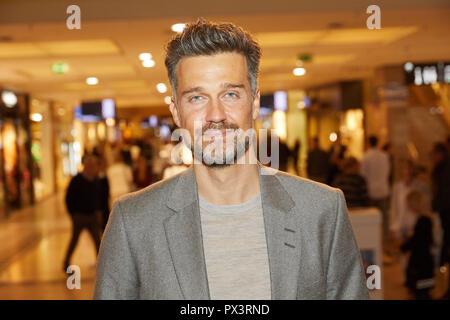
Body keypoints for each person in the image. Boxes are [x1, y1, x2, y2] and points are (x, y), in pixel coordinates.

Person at [94, 19, 368, 300]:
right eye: (197, 97)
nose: (216, 114)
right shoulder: (134, 222)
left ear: (255, 102)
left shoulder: (322, 212)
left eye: (230, 94)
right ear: (176, 111)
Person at [63, 153, 103, 271]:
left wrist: (99, 212)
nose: (91, 168)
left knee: (98, 241)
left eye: (93, 165)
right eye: (89, 165)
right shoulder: (76, 180)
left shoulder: (96, 180)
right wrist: (73, 214)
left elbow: (99, 198)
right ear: (84, 166)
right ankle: (66, 264)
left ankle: (101, 265)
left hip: (92, 217)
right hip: (79, 216)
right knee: (74, 240)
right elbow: (68, 199)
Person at [360, 135, 391, 260]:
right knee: (384, 221)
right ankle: (385, 247)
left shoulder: (365, 157)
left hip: (371, 192)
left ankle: (375, 243)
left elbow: (363, 175)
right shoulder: (384, 156)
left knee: (372, 221)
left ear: (368, 142)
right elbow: (388, 172)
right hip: (383, 190)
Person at [401, 190, 435, 300]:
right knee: (424, 291)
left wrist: (403, 247)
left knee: (420, 293)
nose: (409, 207)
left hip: (420, 263)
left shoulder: (422, 220)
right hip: (426, 262)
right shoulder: (427, 219)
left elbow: (416, 241)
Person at [430, 142, 450, 299]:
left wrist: (437, 207)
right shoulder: (442, 168)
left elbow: (443, 192)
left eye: (434, 154)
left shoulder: (443, 169)